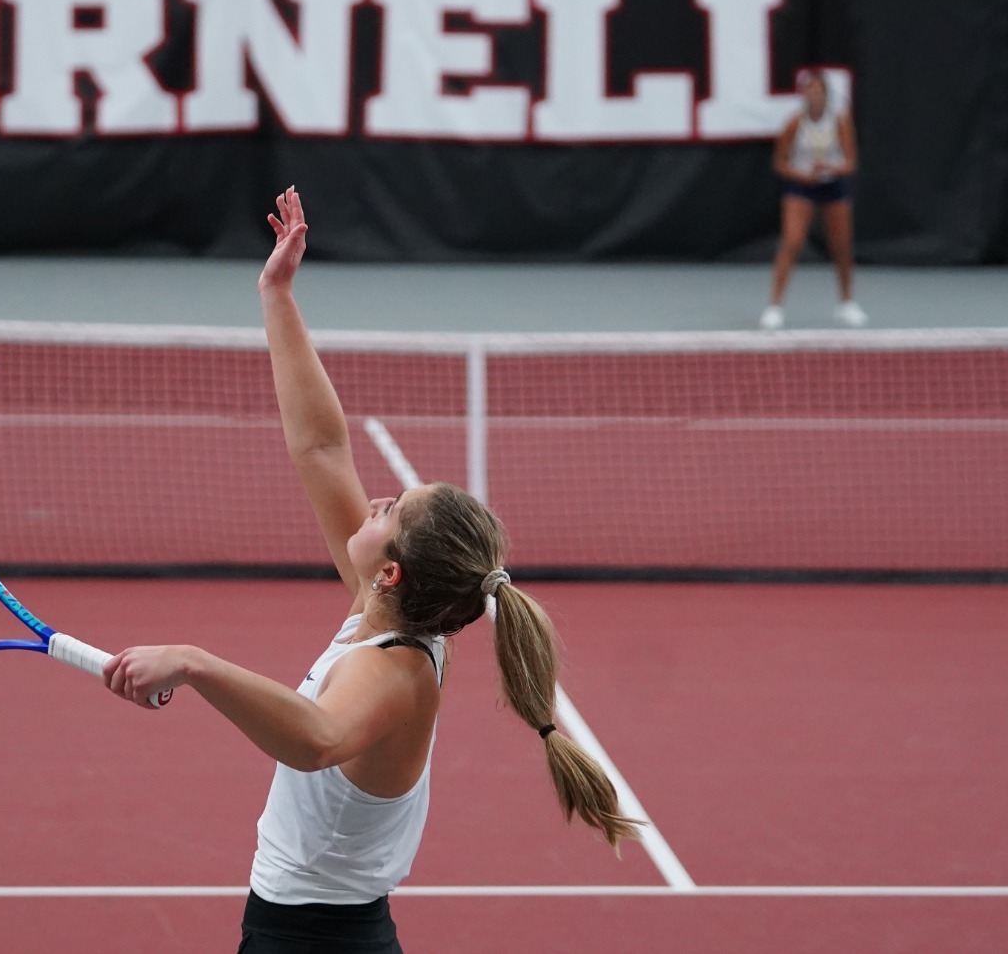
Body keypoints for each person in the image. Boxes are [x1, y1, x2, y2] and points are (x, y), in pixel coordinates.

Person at [101, 186, 641, 953]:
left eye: (390, 511)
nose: (375, 501)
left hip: (309, 939)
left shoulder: (396, 672)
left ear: (391, 574)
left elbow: (318, 738)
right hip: (318, 928)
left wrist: (193, 661)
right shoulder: (388, 613)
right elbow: (322, 447)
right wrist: (278, 296)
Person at [761, 69, 866, 330]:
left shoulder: (839, 121)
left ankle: (846, 304)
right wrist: (801, 175)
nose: (814, 95)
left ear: (826, 95)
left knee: (842, 246)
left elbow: (850, 163)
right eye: (809, 90)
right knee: (792, 242)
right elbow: (779, 162)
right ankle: (774, 307)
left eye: (819, 91)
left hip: (834, 187)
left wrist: (829, 168)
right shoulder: (794, 123)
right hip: (801, 187)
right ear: (803, 94)